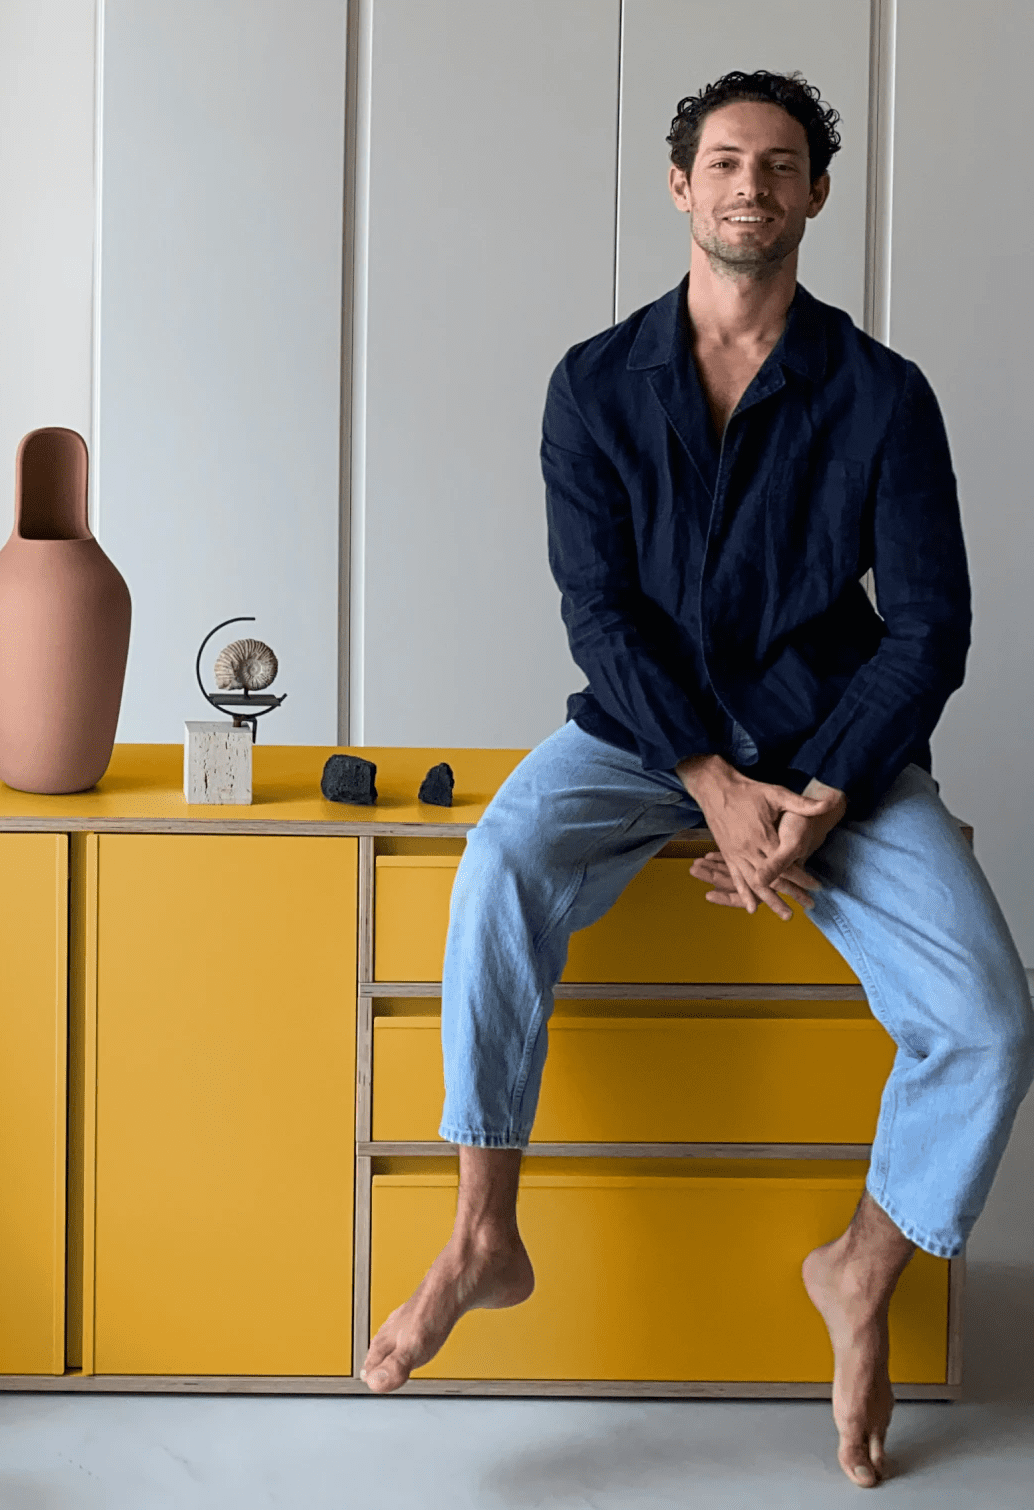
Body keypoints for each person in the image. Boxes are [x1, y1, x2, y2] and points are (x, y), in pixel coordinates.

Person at [359, 70, 1033, 1490]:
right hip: (642, 735)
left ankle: (862, 1267)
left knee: (989, 1018)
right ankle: (484, 1231)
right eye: (724, 161)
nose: (750, 186)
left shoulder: (883, 397)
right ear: (680, 186)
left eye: (780, 165)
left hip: (835, 753)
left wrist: (823, 794)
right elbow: (599, 612)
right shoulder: (593, 384)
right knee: (501, 862)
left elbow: (931, 627)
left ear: (816, 196)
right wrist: (712, 782)